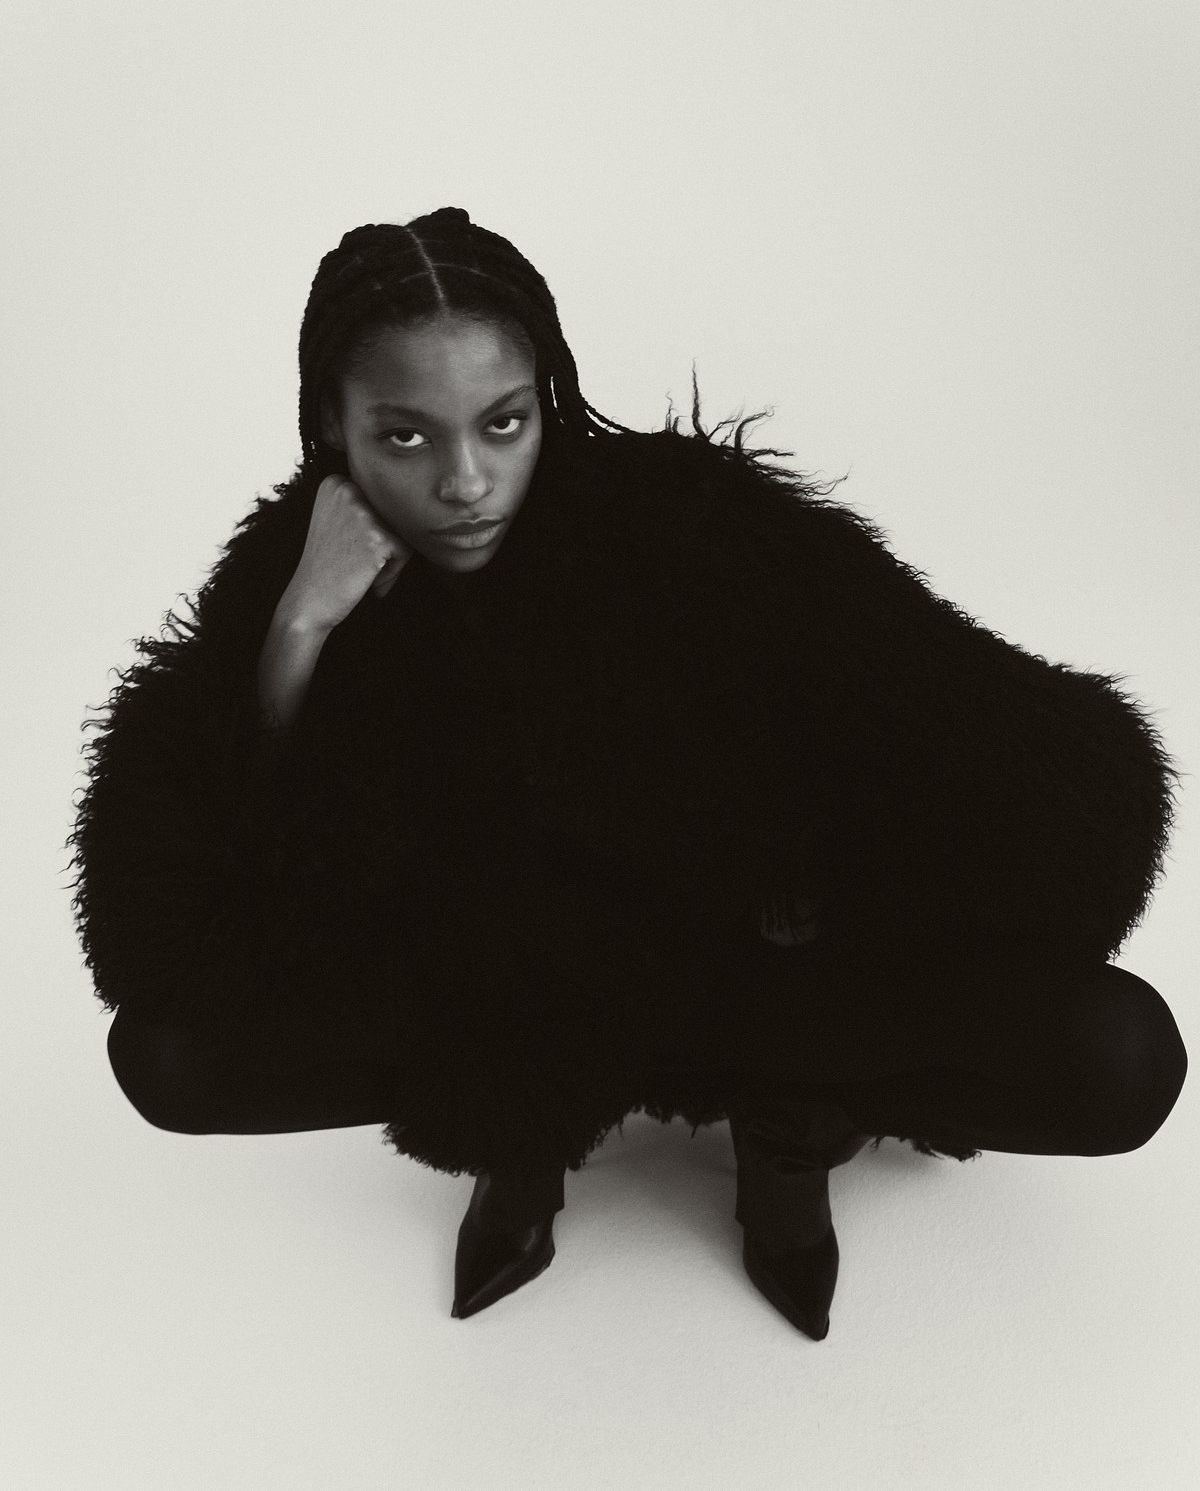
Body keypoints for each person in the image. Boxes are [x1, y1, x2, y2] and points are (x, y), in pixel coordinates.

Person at [67, 207, 1188, 1341]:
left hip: (745, 975)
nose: (466, 482)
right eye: (404, 437)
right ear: (331, 425)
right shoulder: (296, 574)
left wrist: (834, 909)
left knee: (1121, 1059)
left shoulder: (694, 526)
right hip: (508, 996)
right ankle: (521, 1136)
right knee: (169, 1059)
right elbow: (183, 922)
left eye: (503, 423)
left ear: (545, 399)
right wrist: (298, 629)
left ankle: (789, 1125)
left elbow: (1019, 757)